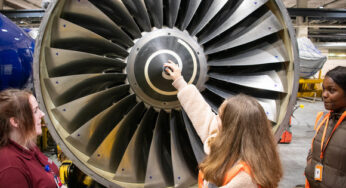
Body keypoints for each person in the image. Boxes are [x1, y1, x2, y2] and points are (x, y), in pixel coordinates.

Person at [164, 61, 282, 188]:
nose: (215, 119)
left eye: (220, 117)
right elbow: (203, 115)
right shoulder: (248, 148)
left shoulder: (245, 177)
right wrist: (180, 82)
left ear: (231, 128)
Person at [0, 89, 64, 188]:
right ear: (16, 121)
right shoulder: (11, 169)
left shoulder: (29, 146)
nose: (42, 114)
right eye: (35, 111)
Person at [305, 66, 346, 188]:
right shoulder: (325, 119)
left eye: (331, 90)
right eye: (323, 89)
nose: (324, 95)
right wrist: (310, 165)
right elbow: (314, 147)